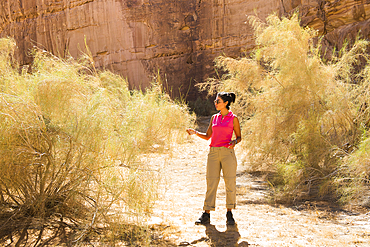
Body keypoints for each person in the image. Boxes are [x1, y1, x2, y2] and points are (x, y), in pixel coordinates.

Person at [187, 92, 241, 225]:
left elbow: (239, 137)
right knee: (211, 183)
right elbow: (207, 136)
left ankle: (229, 213)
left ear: (226, 103)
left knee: (230, 183)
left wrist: (234, 142)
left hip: (227, 153)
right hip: (213, 153)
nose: (215, 103)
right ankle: (206, 214)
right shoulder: (214, 118)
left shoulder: (233, 118)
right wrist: (195, 132)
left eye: (218, 101)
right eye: (216, 101)